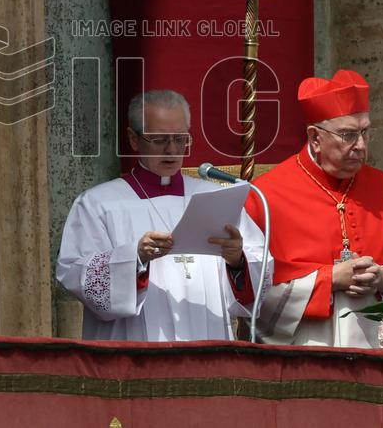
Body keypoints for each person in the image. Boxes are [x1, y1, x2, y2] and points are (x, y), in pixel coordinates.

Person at [56, 90, 270, 341]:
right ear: (133, 139)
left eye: (180, 139)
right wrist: (135, 257)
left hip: (207, 345)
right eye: (159, 139)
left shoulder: (216, 198)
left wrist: (237, 261)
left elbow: (261, 272)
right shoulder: (97, 204)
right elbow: (76, 275)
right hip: (134, 351)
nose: (171, 150)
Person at [246, 70, 383, 347]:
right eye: (348, 135)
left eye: (365, 132)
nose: (360, 145)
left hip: (381, 350)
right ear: (315, 138)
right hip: (305, 352)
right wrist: (329, 279)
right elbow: (250, 294)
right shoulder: (266, 195)